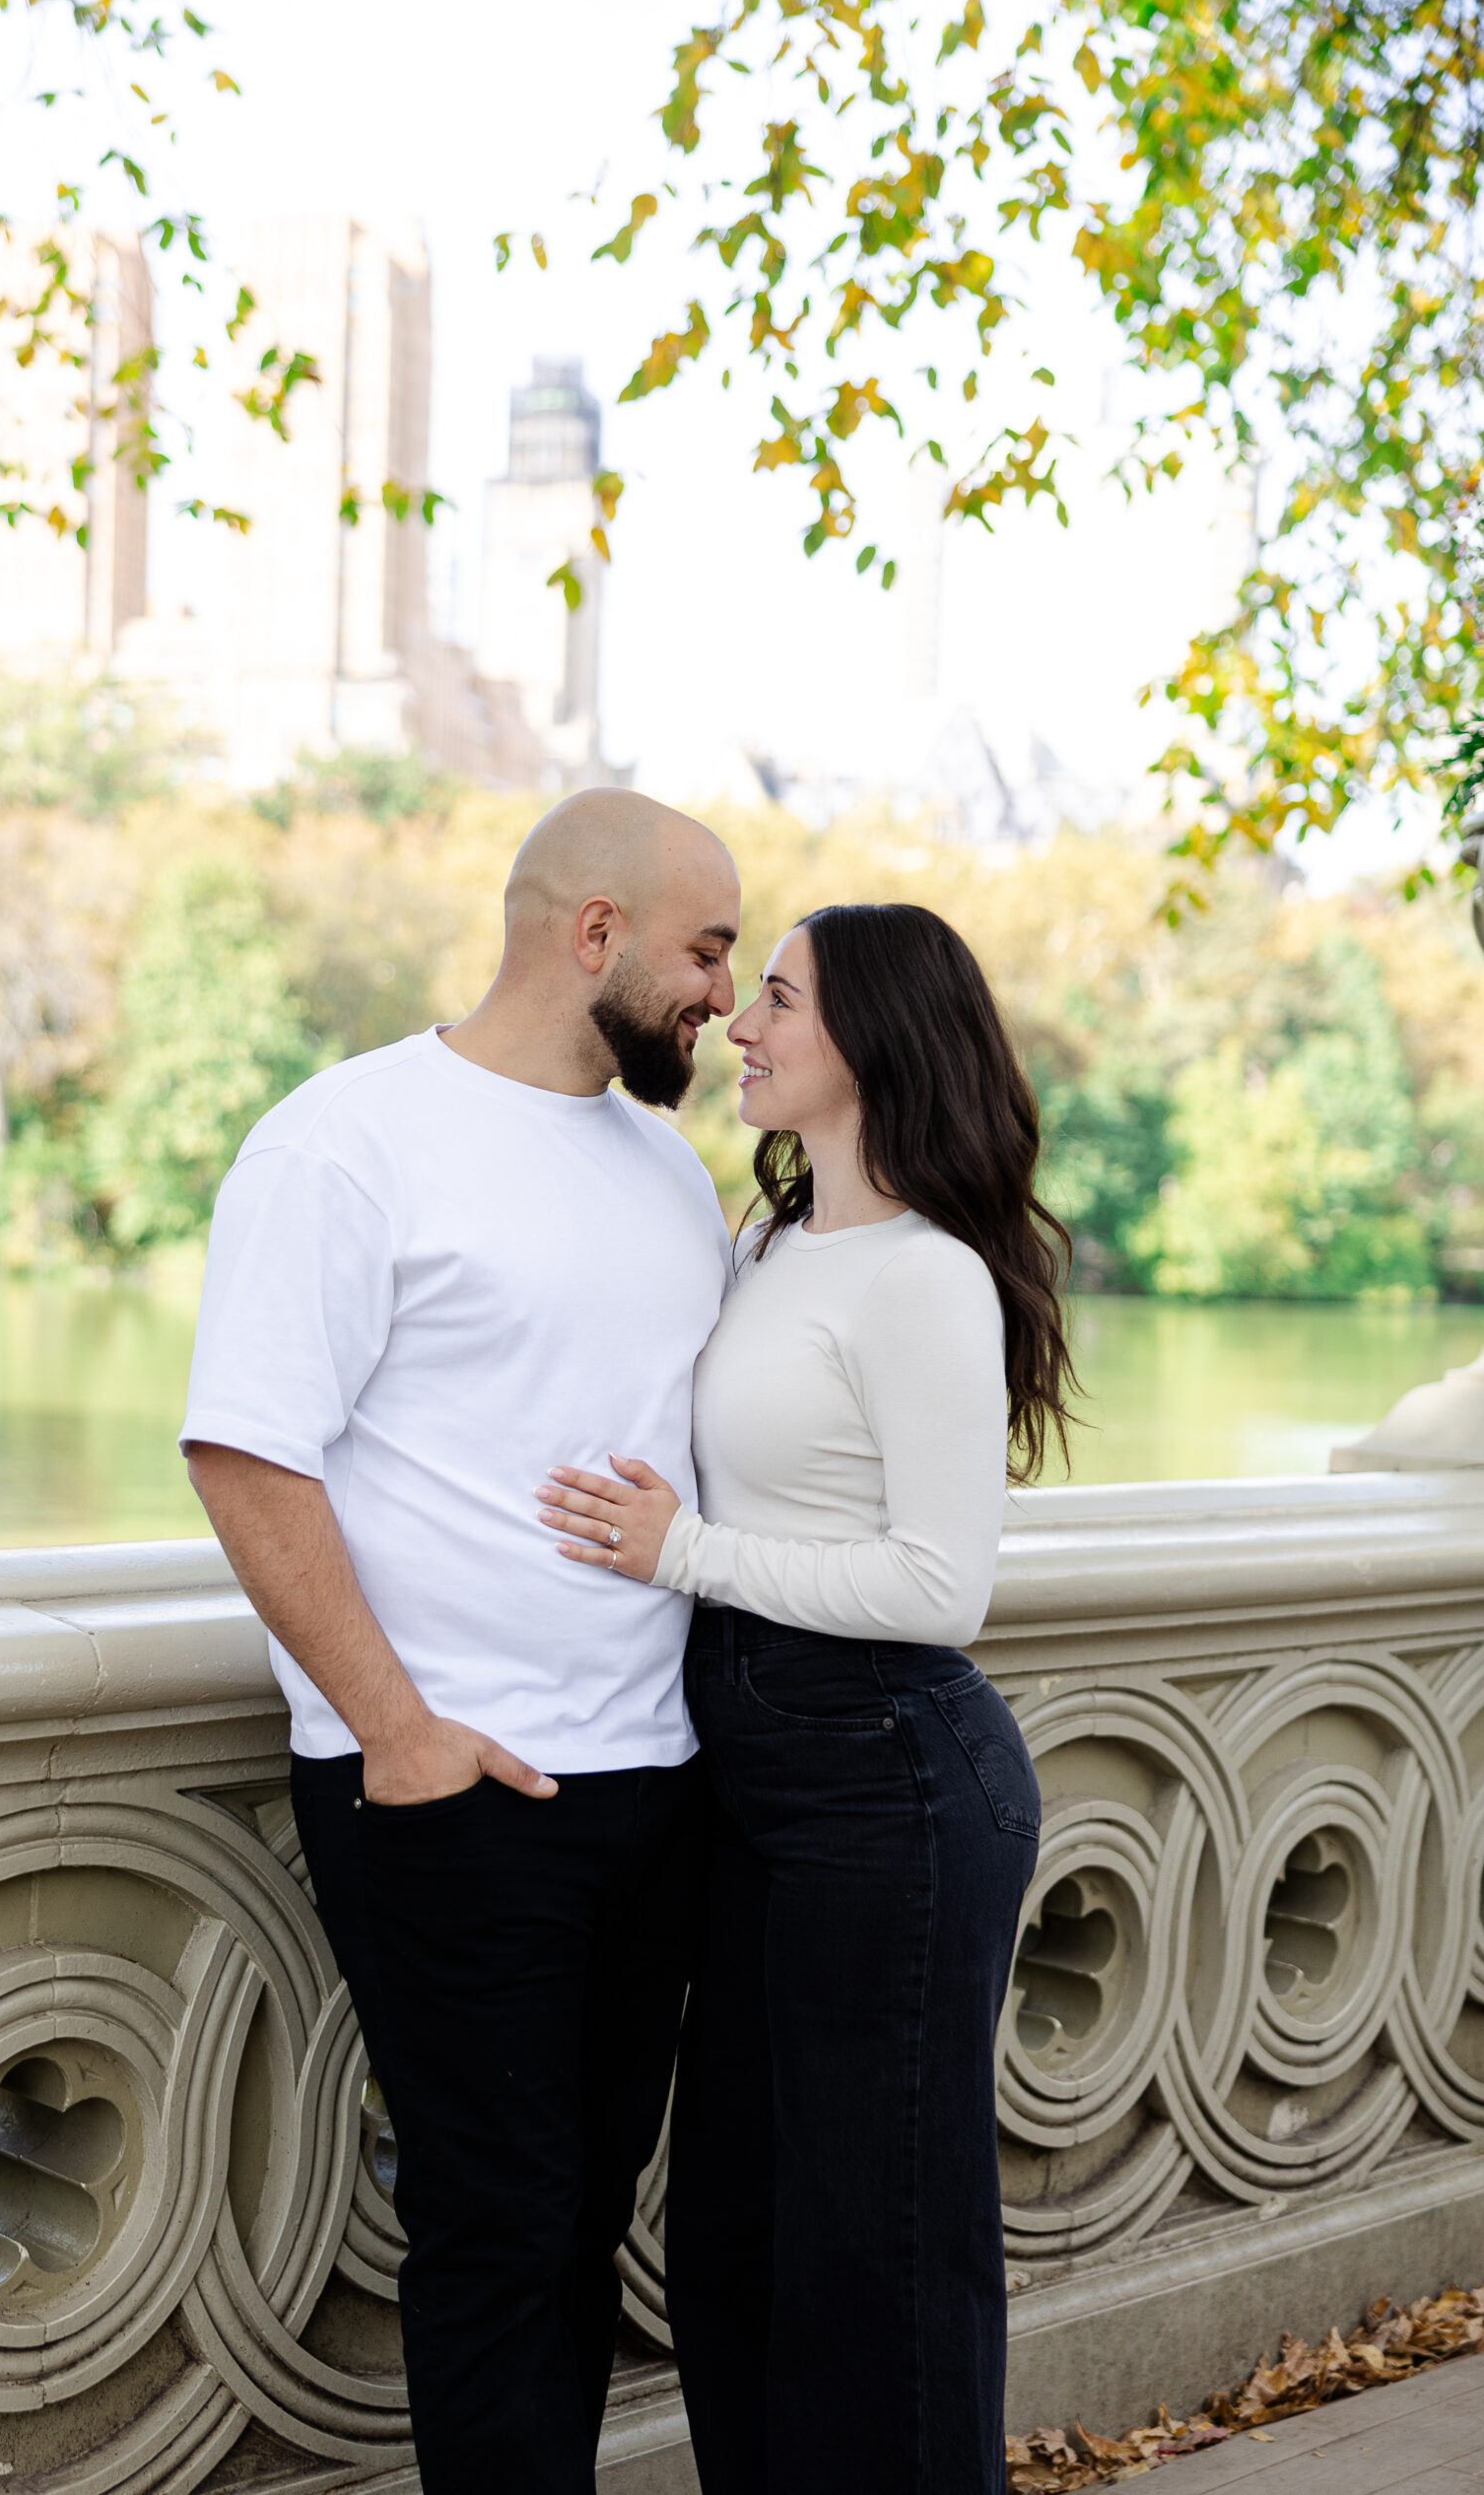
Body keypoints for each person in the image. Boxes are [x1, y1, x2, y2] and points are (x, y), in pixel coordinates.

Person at [178, 788, 741, 2495]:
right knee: (496, 2231)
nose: (725, 991)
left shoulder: (666, 1166)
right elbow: (245, 1450)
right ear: (597, 936)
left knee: (581, 2220)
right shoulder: (346, 1141)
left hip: (657, 1786)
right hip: (455, 1786)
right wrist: (398, 1728)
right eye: (707, 950)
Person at [532, 901, 1074, 2495]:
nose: (742, 1025)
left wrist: (682, 1551)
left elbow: (937, 1587)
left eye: (776, 999)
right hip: (755, 1777)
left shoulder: (928, 1281)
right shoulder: (766, 1242)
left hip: (890, 1782)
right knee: (733, 2236)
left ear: (877, 1044)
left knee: (878, 2257)